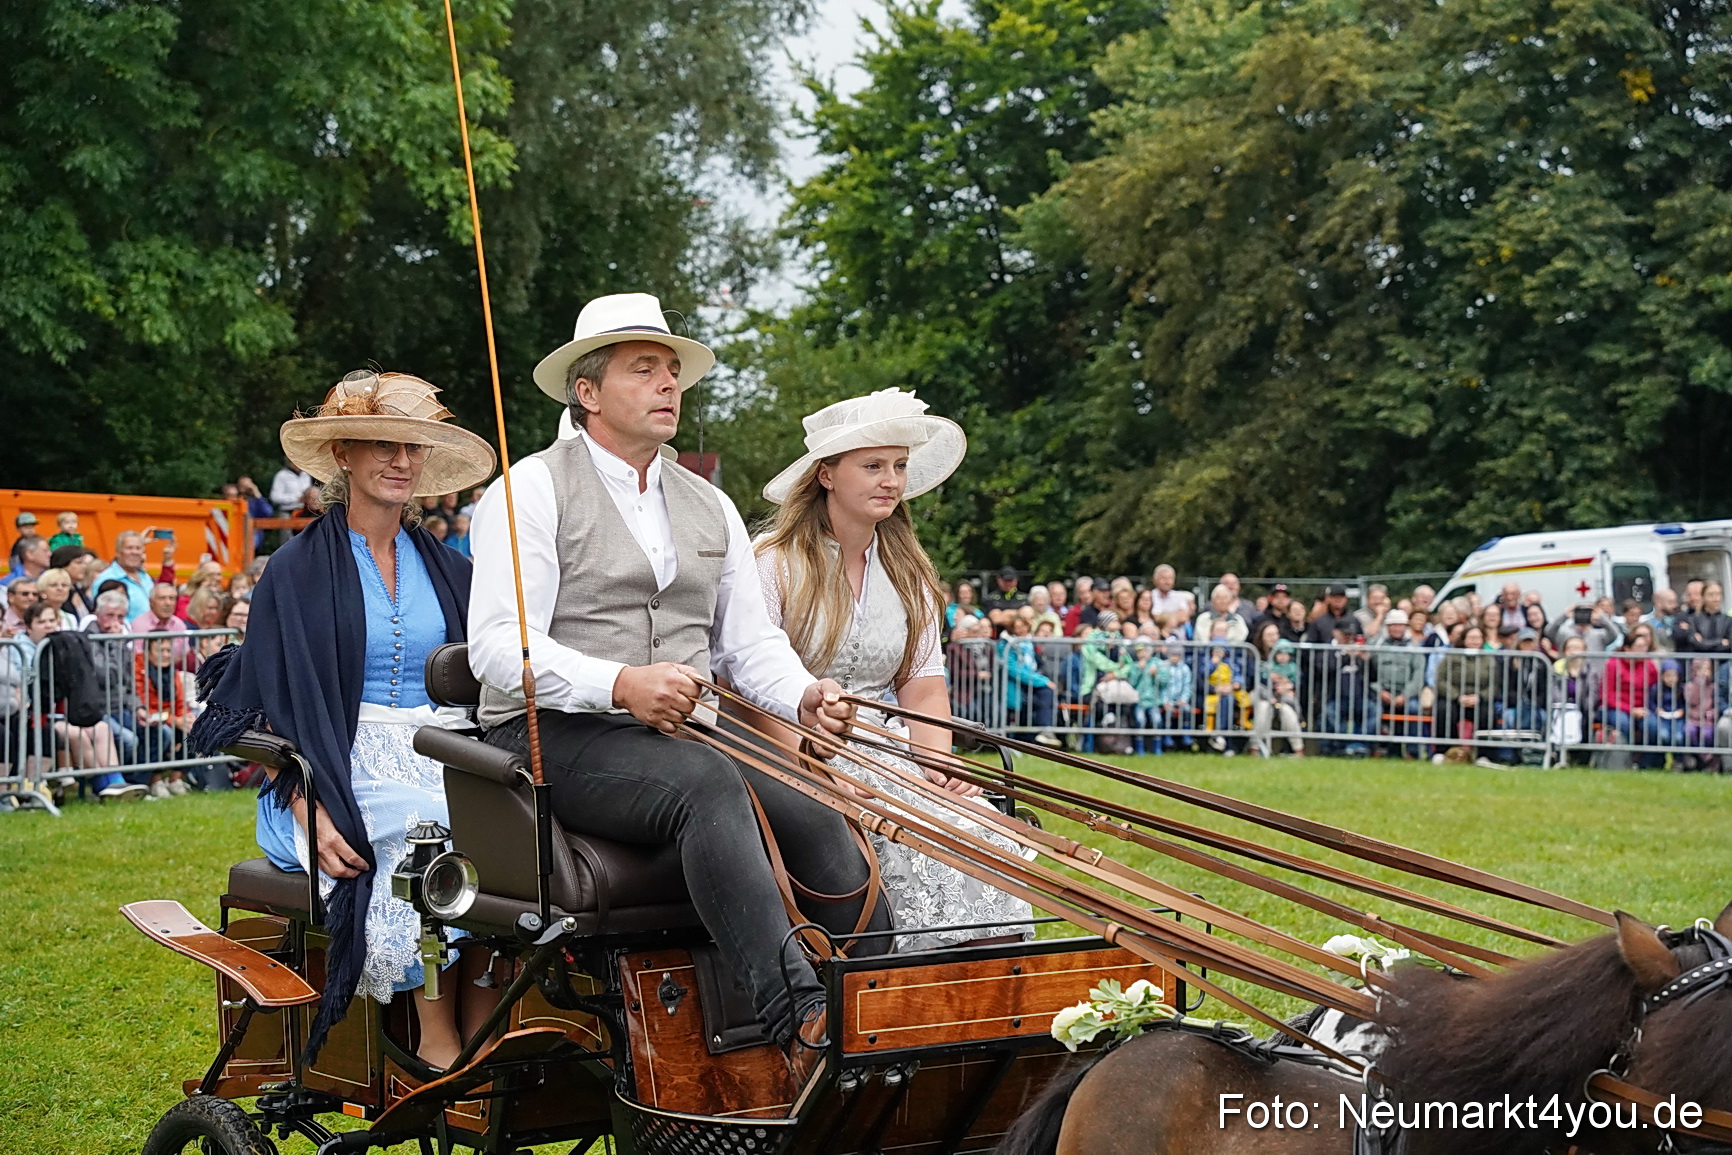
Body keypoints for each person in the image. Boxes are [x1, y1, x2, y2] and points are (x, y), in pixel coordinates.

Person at [468, 292, 878, 1089]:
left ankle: (876, 1002)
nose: (668, 385)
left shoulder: (711, 502)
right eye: (644, 369)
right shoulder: (531, 490)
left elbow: (748, 641)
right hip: (551, 734)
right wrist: (618, 682)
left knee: (817, 807)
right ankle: (799, 1020)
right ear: (587, 392)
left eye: (673, 370)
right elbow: (497, 646)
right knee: (708, 784)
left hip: (683, 734)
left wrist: (803, 697)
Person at [192, 369, 498, 1068]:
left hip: (445, 747)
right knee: (429, 828)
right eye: (383, 445)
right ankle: (438, 1040)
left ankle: (488, 1014)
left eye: (413, 448)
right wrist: (312, 808)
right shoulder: (294, 570)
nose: (401, 461)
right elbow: (259, 711)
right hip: (334, 768)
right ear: (343, 456)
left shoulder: (453, 570)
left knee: (513, 829)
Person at [93, 531, 173, 621]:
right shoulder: (106, 579)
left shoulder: (145, 576)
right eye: (129, 548)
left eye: (138, 548)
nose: (134, 552)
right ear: (118, 552)